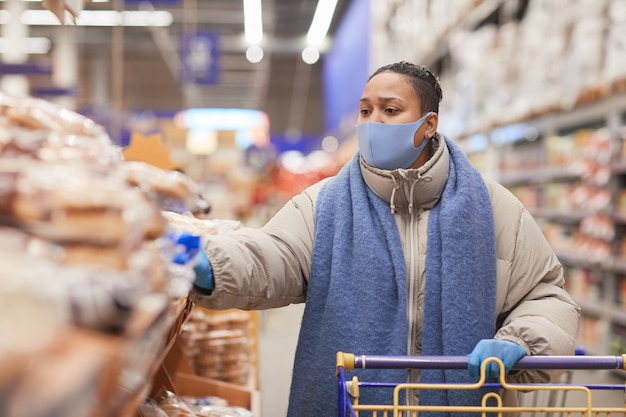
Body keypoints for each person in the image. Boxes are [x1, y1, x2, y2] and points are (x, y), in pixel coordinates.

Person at [186, 61, 581, 416]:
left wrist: (521, 339)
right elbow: (274, 255)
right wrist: (209, 263)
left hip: (469, 402)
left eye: (390, 111)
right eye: (365, 110)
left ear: (428, 124)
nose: (373, 122)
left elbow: (544, 295)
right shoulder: (324, 204)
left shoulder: (495, 208)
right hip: (352, 405)